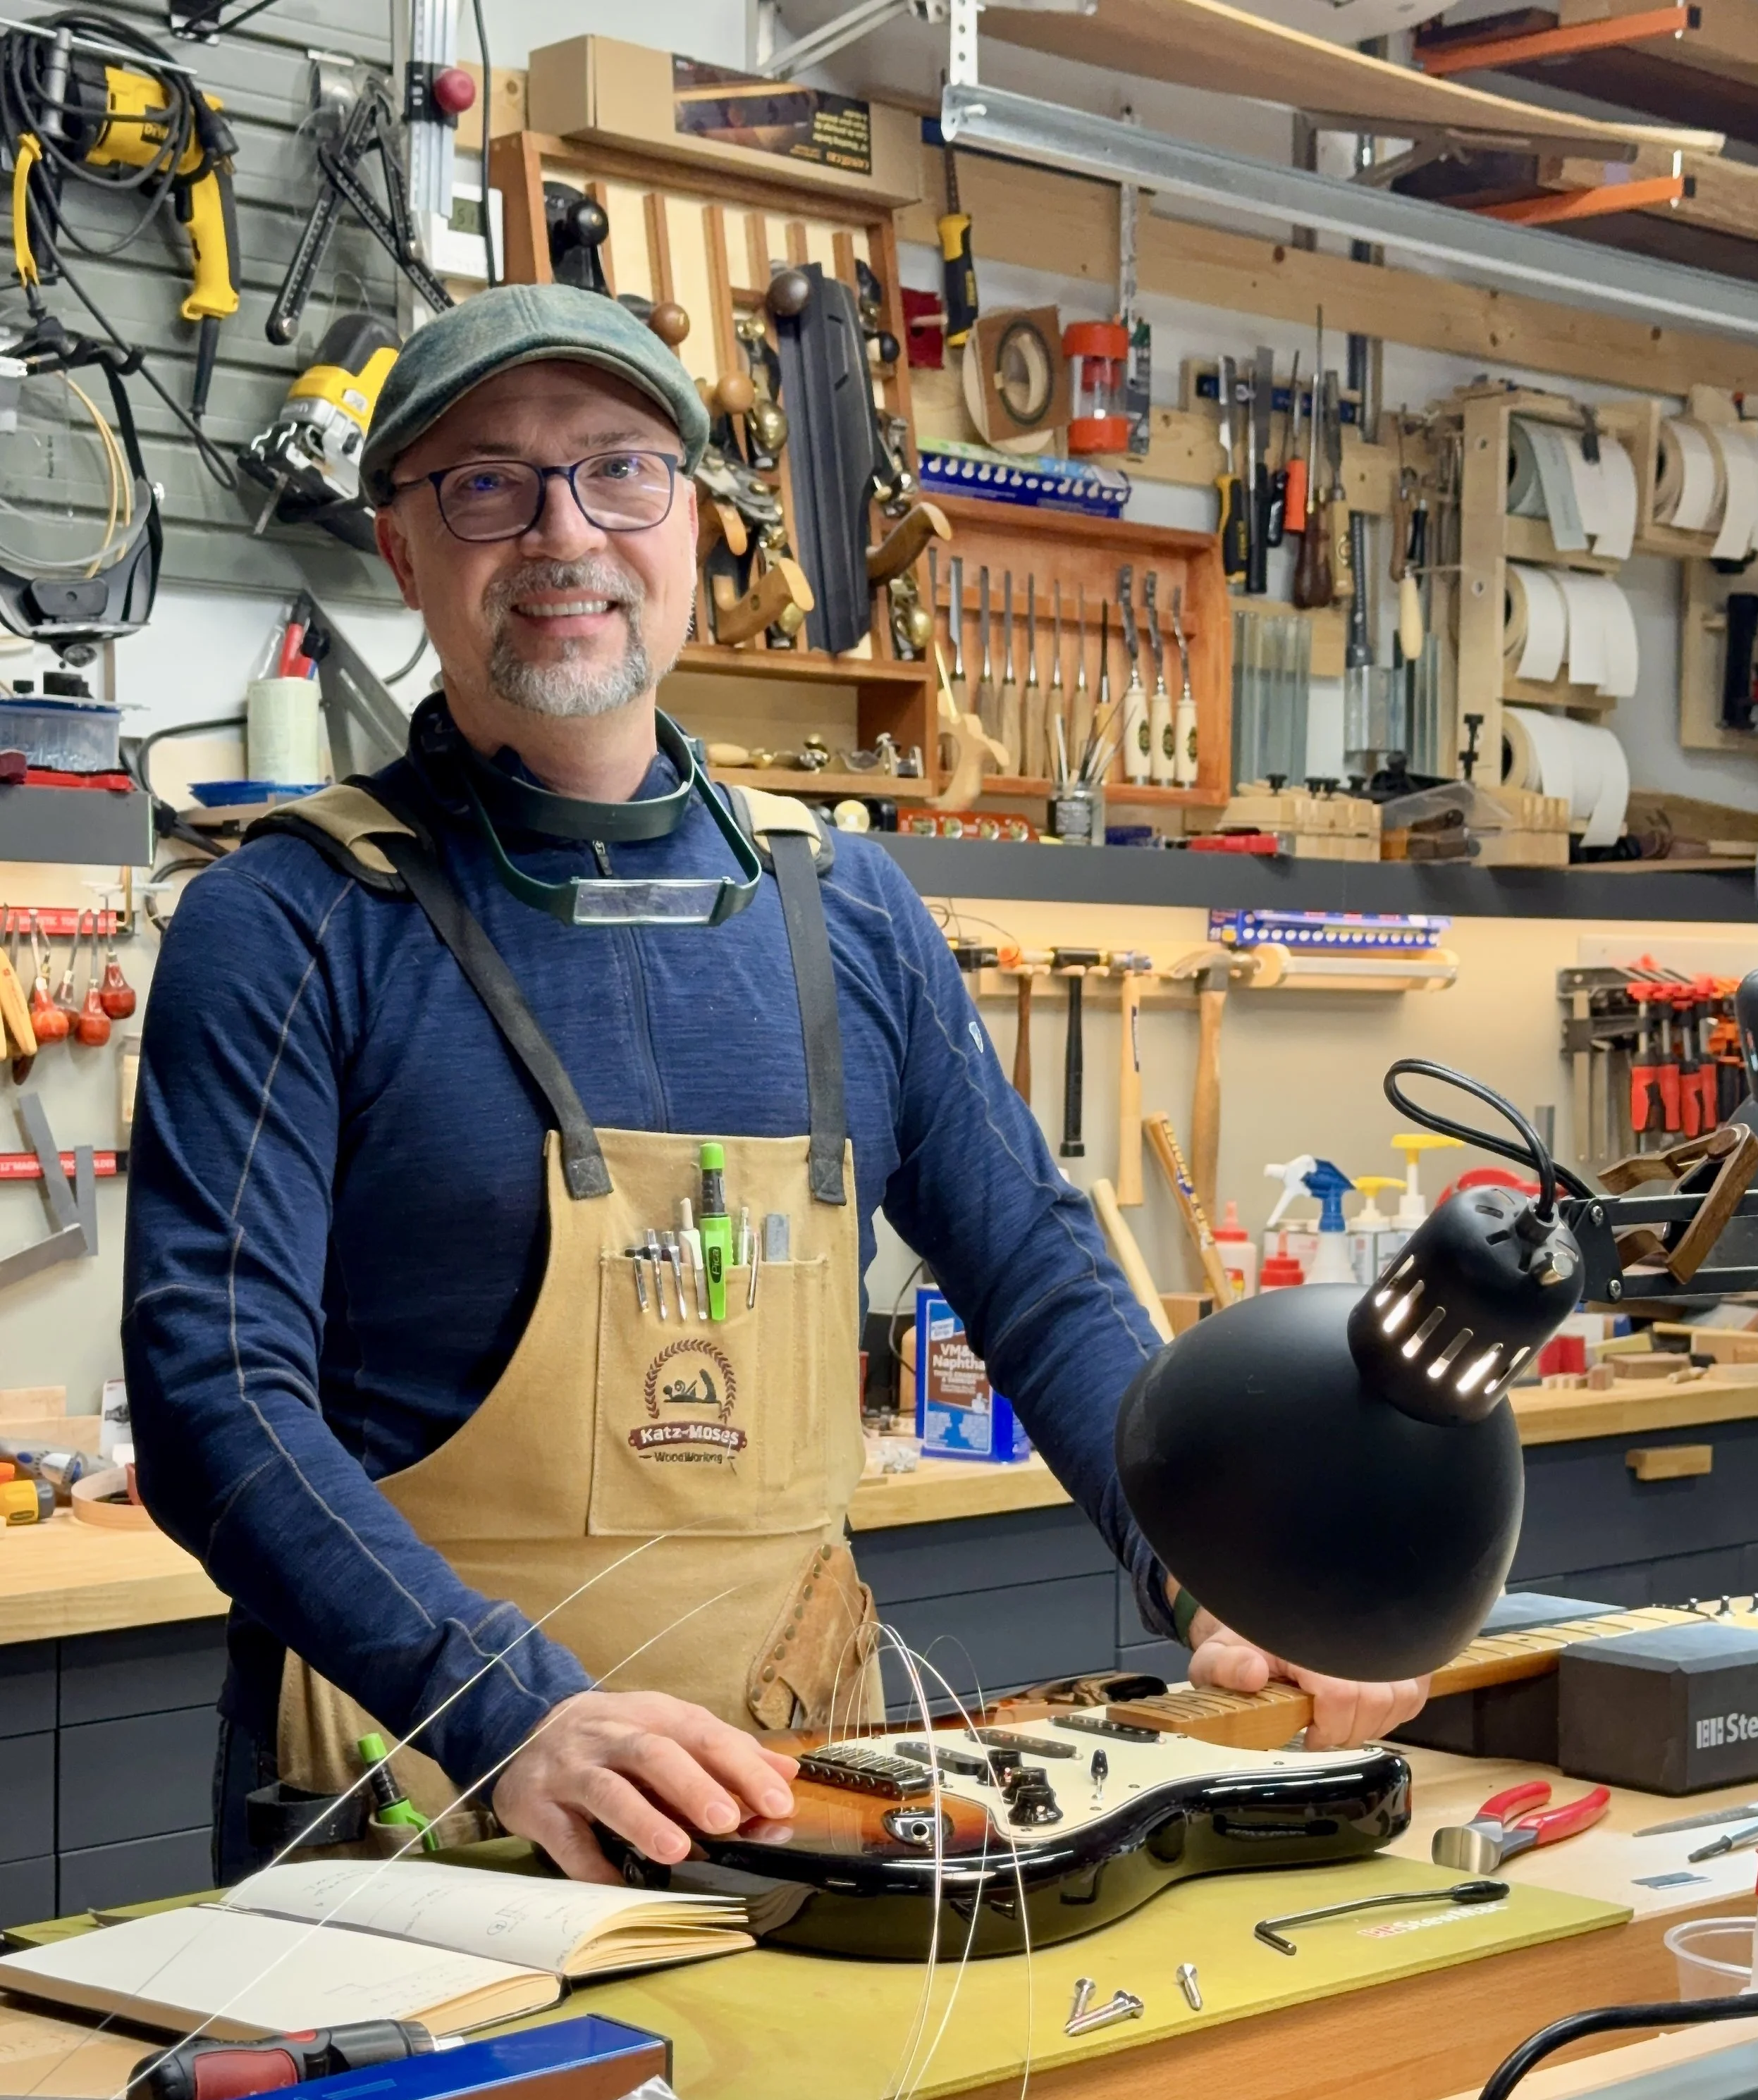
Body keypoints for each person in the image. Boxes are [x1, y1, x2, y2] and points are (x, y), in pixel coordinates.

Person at [123, 285, 1428, 1888]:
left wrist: (1215, 1581)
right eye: (486, 481)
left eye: (618, 470)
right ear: (402, 551)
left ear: (690, 524)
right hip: (419, 1798)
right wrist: (510, 1710)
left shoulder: (848, 909)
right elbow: (215, 1404)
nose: (562, 533)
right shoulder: (290, 920)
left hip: (802, 1792)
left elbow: (1037, 1275)